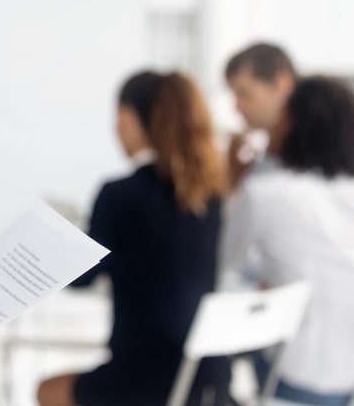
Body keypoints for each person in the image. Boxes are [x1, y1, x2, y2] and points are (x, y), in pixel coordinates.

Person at [37, 71, 231, 406]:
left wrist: (48, 244)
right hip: (208, 377)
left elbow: (81, 279)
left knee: (47, 391)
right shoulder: (211, 195)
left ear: (127, 118)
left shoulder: (121, 194)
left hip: (148, 379)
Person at [220, 76, 354, 405]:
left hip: (297, 372)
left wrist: (232, 183)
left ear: (293, 124)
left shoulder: (267, 193)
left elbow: (217, 266)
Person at [224, 42, 296, 188]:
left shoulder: (316, 151)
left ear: (281, 83)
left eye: (243, 94)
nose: (236, 106)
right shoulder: (271, 156)